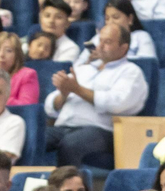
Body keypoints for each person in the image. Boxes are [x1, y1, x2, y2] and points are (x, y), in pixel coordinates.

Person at [44, 23, 147, 171]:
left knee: (71, 143)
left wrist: (78, 90)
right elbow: (49, 106)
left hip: (101, 130)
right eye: (100, 40)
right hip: (64, 126)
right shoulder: (84, 69)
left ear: (123, 48)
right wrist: (64, 93)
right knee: (35, 139)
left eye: (108, 42)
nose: (100, 46)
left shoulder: (131, 72)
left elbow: (117, 103)